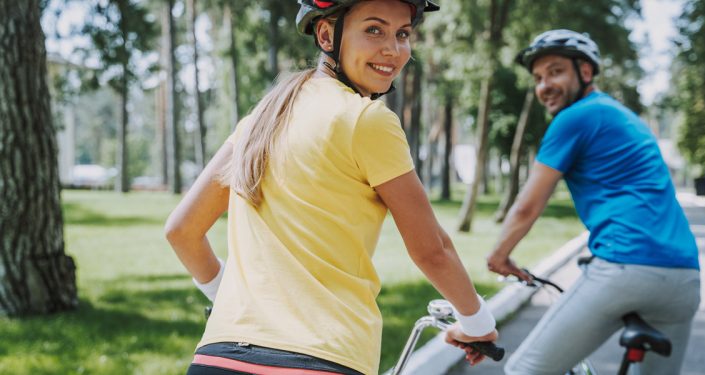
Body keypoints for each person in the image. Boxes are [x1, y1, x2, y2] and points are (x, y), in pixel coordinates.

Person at [165, 1, 497, 374]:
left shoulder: (260, 119)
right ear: (326, 35)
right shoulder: (366, 120)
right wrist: (478, 323)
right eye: (374, 30)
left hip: (217, 358)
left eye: (403, 33)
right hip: (322, 356)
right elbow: (432, 250)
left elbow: (182, 231)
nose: (393, 48)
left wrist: (225, 297)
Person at [485, 29, 701, 375]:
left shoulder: (574, 117)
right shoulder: (626, 118)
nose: (544, 86)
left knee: (525, 370)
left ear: (585, 72)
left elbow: (528, 205)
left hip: (625, 266)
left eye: (555, 72)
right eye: (539, 77)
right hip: (684, 278)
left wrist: (499, 256)